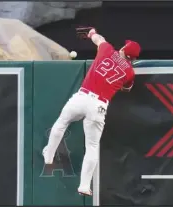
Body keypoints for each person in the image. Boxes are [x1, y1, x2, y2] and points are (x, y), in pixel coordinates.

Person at [42, 28, 141, 196]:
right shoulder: (130, 72)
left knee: (62, 123)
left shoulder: (108, 49)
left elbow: (98, 38)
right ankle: (84, 186)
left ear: (124, 49)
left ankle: (49, 155)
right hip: (99, 106)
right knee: (92, 147)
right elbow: (127, 88)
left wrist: (91, 33)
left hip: (83, 96)